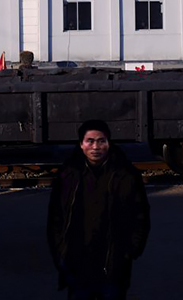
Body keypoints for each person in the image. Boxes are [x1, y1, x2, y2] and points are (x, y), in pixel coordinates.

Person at [47, 120, 150, 300]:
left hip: (113, 264)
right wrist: (60, 253)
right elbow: (55, 217)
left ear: (109, 143)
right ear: (81, 144)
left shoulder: (126, 174)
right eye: (90, 141)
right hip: (76, 263)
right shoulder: (67, 175)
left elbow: (140, 215)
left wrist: (130, 251)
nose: (96, 146)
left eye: (101, 141)